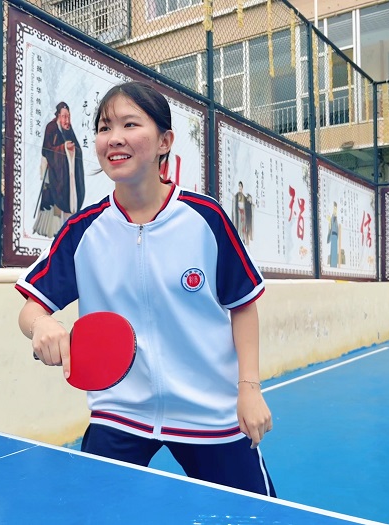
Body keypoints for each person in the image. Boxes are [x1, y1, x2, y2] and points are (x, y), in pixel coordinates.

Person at [16, 81, 275, 496]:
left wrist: (249, 389)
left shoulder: (206, 219)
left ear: (164, 142)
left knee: (256, 517)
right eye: (104, 128)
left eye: (130, 124)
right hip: (119, 413)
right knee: (92, 514)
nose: (114, 138)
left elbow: (242, 305)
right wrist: (41, 325)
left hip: (209, 415)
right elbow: (31, 308)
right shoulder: (83, 230)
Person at [33, 101, 86, 238]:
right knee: (52, 201)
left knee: (66, 198)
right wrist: (63, 149)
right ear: (57, 116)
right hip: (53, 172)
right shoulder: (51, 128)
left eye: (68, 116)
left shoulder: (68, 130)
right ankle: (53, 230)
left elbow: (78, 150)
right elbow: (47, 150)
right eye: (64, 116)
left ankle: (67, 230)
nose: (67, 120)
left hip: (67, 175)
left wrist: (73, 150)